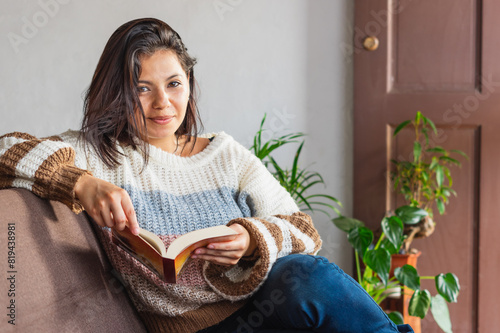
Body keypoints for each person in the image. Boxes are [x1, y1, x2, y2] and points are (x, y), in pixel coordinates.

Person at [0, 18, 413, 333]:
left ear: (189, 83)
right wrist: (82, 183)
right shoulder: (98, 152)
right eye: (142, 88)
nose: (163, 103)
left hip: (262, 309)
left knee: (308, 274)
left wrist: (252, 239)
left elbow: (304, 230)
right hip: (195, 328)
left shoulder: (225, 154)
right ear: (117, 92)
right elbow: (5, 149)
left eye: (174, 84)